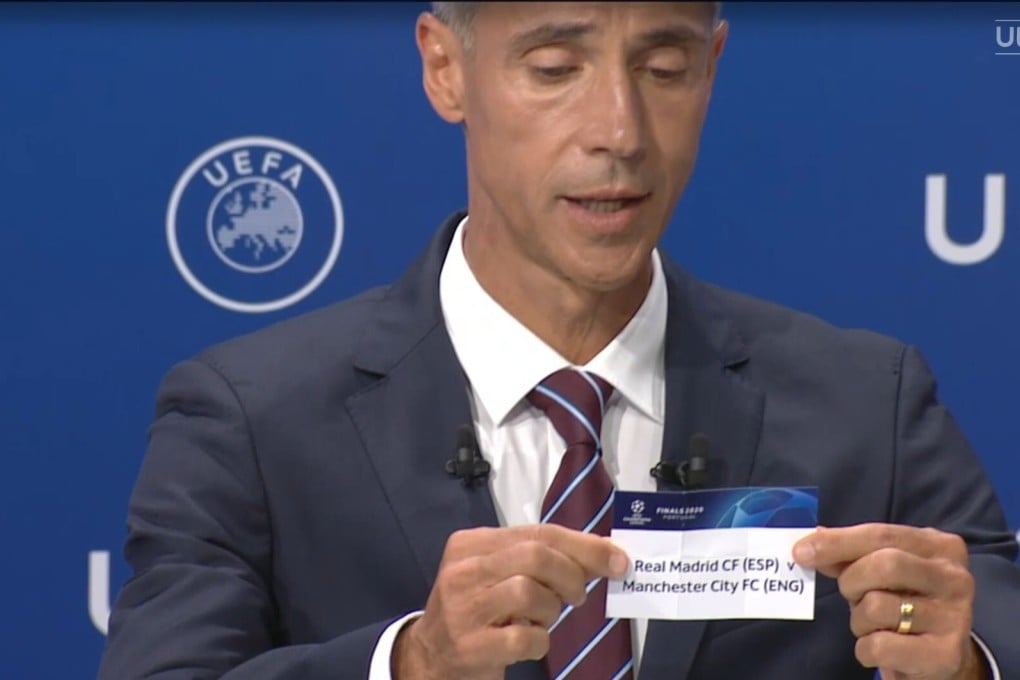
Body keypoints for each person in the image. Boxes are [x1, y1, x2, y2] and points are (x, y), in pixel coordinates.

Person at [99, 3, 1020, 679]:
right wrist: (410, 663)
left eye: (664, 68)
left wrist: (971, 664)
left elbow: (999, 634)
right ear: (444, 67)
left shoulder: (871, 405)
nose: (619, 131)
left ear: (714, 66)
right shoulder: (250, 420)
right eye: (553, 67)